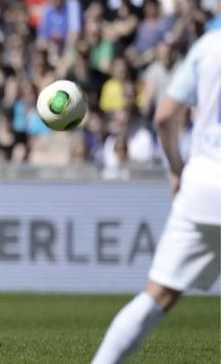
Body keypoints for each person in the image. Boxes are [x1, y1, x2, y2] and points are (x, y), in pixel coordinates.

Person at [92, 28, 221, 364]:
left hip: (204, 185)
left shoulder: (208, 46)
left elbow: (164, 116)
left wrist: (177, 168)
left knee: (159, 295)